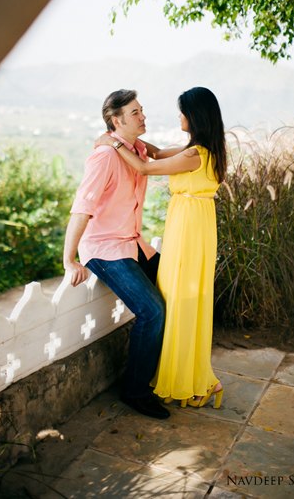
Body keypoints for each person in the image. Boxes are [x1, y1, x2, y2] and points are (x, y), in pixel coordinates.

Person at [95, 86, 228, 410]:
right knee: (183, 299)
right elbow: (152, 154)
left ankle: (184, 377)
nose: (179, 116)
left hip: (189, 231)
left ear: (194, 116)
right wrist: (131, 142)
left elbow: (145, 168)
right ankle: (185, 372)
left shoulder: (194, 155)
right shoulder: (201, 150)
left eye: (183, 111)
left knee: (178, 298)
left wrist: (111, 142)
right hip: (196, 226)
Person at [63, 89, 169, 420]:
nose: (143, 116)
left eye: (142, 111)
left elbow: (160, 157)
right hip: (105, 248)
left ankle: (166, 374)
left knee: (177, 289)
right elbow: (82, 207)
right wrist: (69, 259)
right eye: (135, 112)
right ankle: (135, 390)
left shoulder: (134, 149)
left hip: (133, 242)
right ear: (116, 120)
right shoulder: (105, 156)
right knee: (152, 310)